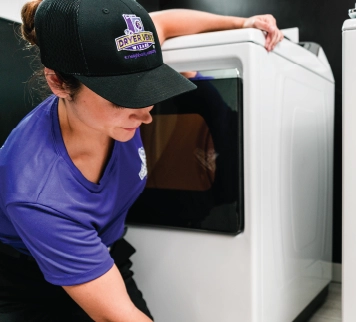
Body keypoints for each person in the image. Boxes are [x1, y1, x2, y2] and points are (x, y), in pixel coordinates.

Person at [0, 0, 283, 321]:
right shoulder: (38, 195)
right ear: (59, 83)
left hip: (100, 248)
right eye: (124, 95)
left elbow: (164, 23)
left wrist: (241, 24)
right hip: (28, 282)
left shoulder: (119, 71)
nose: (146, 113)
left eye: (147, 85)